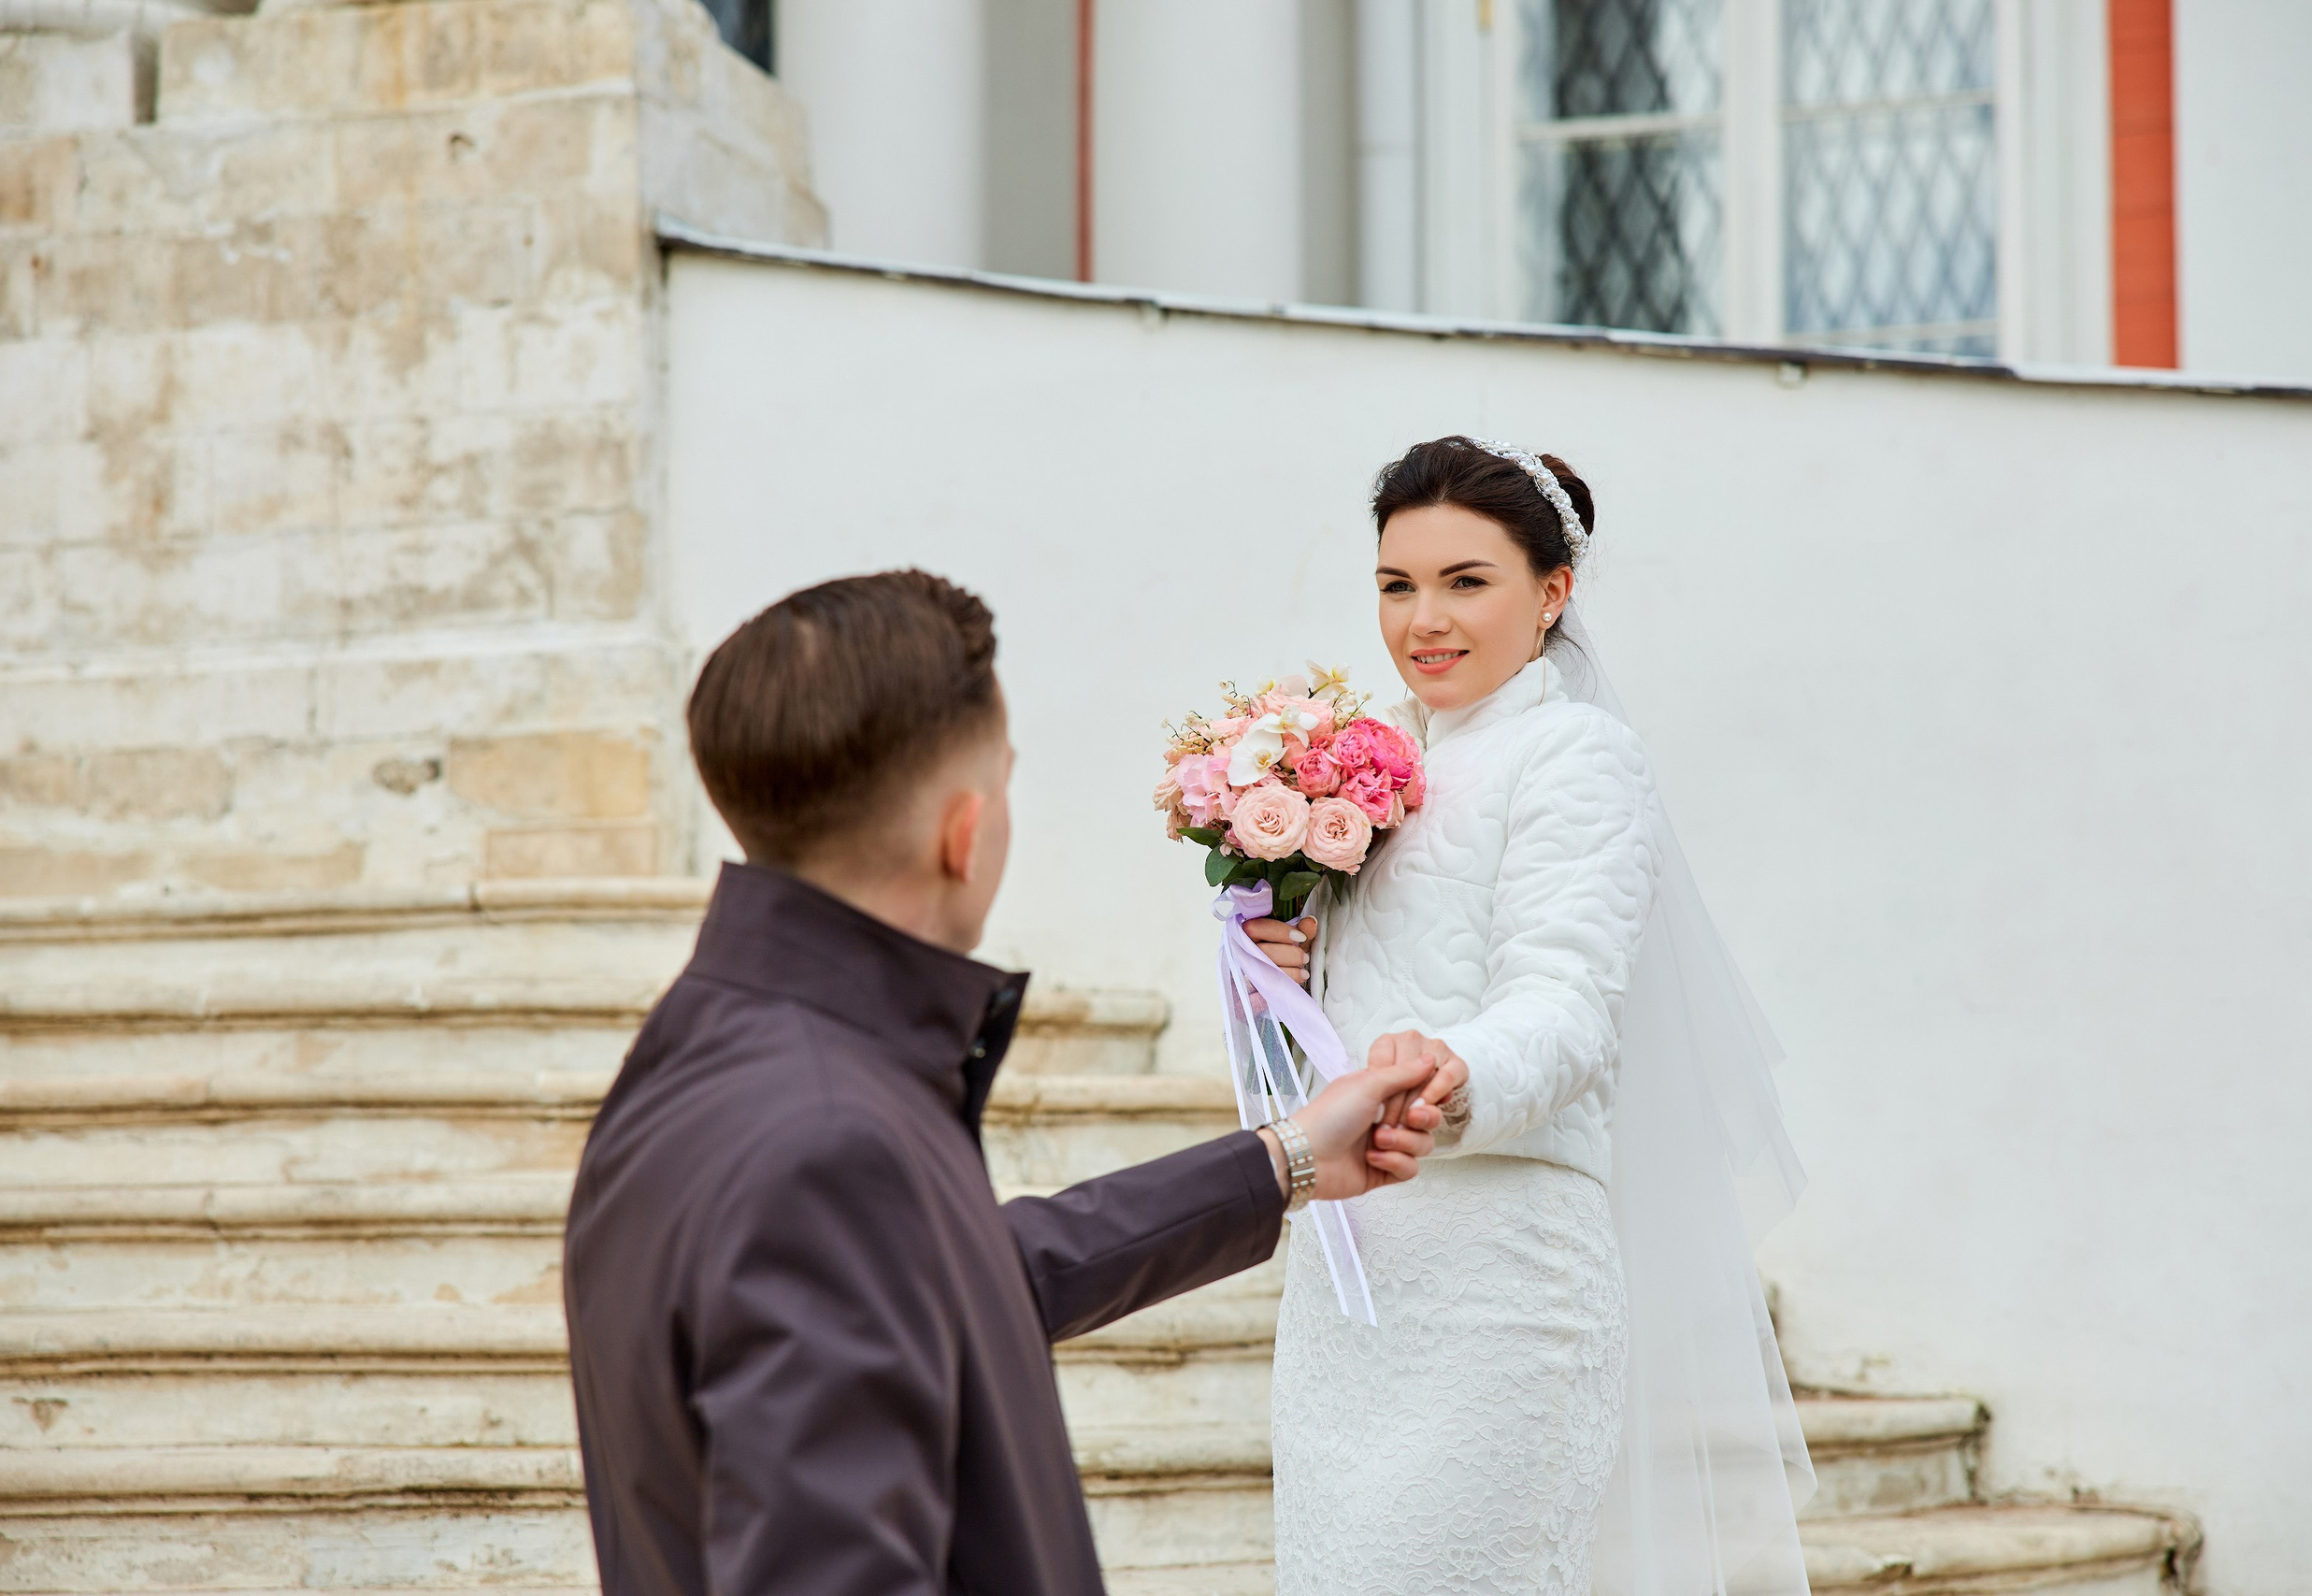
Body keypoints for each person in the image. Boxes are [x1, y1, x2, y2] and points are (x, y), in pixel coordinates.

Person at [563, 570, 1446, 1596]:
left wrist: (1286, 1159)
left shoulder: (709, 1043)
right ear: (964, 833)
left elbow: (954, 1283)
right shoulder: (822, 1136)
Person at [1247, 438, 1814, 1595]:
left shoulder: (1577, 755)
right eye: (1396, 585)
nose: (1424, 620)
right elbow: (1302, 1064)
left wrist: (1447, 1071)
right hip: (1352, 1283)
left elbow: (1567, 1007)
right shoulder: (1357, 779)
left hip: (1501, 1287)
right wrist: (1278, 987)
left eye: (1467, 581)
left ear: (1552, 593)